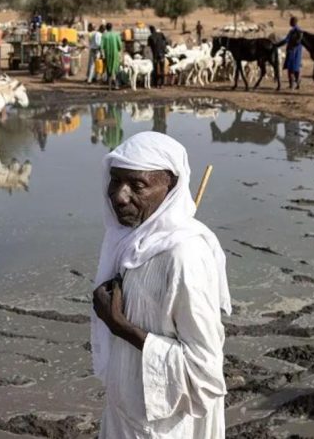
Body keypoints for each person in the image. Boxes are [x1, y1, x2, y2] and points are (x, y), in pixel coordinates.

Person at [91, 131, 231, 438]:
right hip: (126, 410)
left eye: (137, 185)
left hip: (166, 425)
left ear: (171, 187)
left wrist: (119, 325)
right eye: (116, 180)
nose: (119, 195)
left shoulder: (184, 256)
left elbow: (203, 373)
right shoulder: (131, 240)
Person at [274, 16, 303, 90]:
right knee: (296, 68)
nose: (289, 22)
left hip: (292, 51)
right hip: (298, 52)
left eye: (290, 21)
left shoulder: (292, 31)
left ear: (293, 22)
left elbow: (286, 40)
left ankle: (291, 85)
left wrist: (276, 45)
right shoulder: (300, 31)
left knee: (290, 69)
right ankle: (298, 84)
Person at [100, 23, 123, 90]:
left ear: (106, 28)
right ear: (112, 27)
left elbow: (101, 46)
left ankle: (109, 86)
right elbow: (120, 45)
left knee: (109, 69)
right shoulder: (116, 35)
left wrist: (102, 54)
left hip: (108, 54)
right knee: (116, 69)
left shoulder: (104, 35)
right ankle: (116, 85)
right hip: (115, 54)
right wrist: (119, 50)